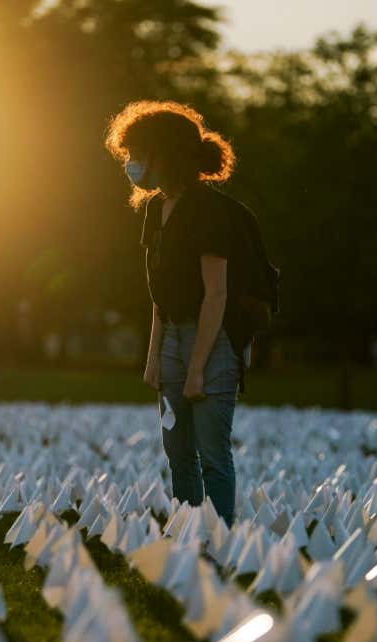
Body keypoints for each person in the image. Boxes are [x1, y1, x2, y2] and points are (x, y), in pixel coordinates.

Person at [105, 100, 250, 528]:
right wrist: (154, 357)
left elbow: (216, 294)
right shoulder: (154, 210)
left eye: (137, 154)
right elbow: (159, 293)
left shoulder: (209, 211)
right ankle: (190, 537)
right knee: (178, 454)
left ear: (164, 154)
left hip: (213, 341)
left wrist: (198, 367)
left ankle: (220, 539)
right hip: (170, 341)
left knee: (212, 454)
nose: (131, 164)